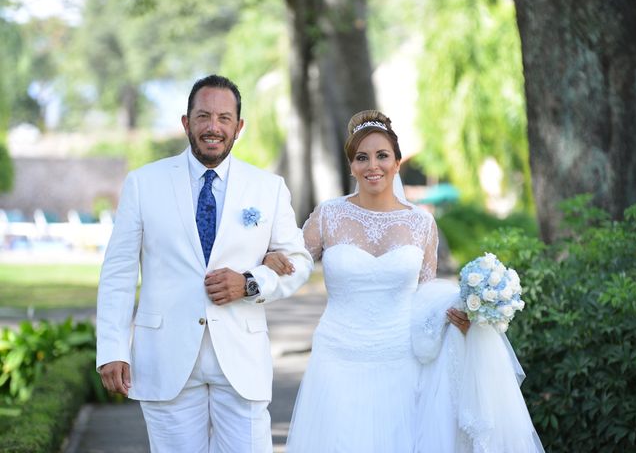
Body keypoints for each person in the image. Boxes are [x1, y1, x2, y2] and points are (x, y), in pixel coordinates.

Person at [265, 110, 543, 453]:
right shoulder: (329, 215)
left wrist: (460, 314)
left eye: (382, 156)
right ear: (351, 166)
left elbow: (425, 294)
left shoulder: (421, 224)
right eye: (362, 158)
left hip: (400, 359)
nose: (373, 166)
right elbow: (295, 261)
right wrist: (270, 259)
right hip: (337, 357)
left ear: (397, 163)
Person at [96, 74, 313, 453]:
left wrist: (249, 281)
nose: (214, 127)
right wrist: (113, 348)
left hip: (241, 359)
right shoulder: (143, 183)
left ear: (239, 127)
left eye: (224, 118)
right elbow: (118, 273)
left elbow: (300, 261)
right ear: (186, 122)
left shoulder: (268, 187)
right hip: (165, 357)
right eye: (204, 116)